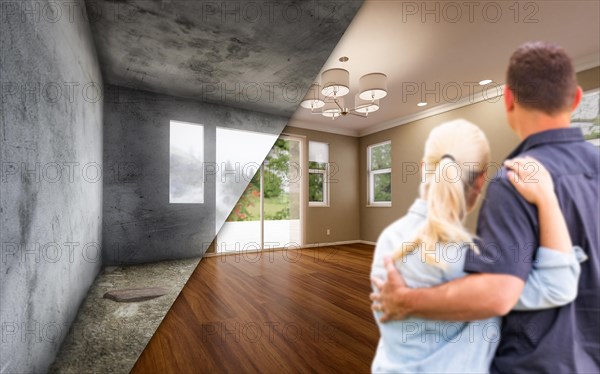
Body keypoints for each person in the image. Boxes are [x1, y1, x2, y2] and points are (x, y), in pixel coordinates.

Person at [371, 41, 599, 373]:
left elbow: (498, 293)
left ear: (508, 98)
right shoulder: (463, 253)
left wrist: (406, 300)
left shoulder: (513, 182)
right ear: (577, 98)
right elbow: (545, 286)